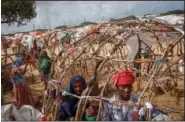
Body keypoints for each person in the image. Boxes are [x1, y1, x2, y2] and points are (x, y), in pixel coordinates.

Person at [102, 70, 171, 121]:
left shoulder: (138, 100)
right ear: (117, 87)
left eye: (129, 86)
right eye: (123, 87)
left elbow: (148, 115)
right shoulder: (109, 104)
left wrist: (140, 118)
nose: (127, 90)